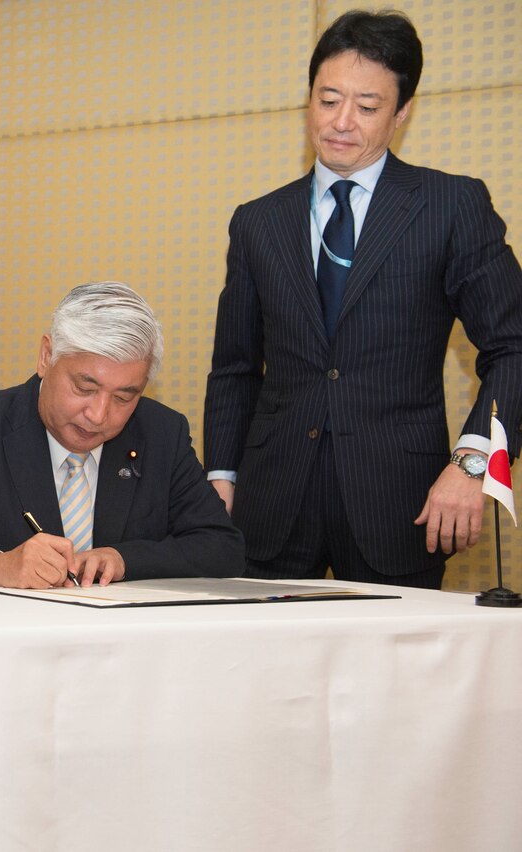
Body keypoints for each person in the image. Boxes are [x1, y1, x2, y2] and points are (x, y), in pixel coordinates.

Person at [204, 10, 522, 589]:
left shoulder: (452, 206)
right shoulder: (258, 221)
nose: (341, 122)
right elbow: (234, 367)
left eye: (367, 107)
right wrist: (220, 476)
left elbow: (514, 347)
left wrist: (471, 462)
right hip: (271, 504)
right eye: (327, 101)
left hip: (400, 501)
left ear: (401, 113)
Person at [0, 282, 243, 588]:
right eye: (84, 388)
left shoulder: (162, 433)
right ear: (46, 356)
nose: (98, 415)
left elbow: (222, 548)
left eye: (123, 397)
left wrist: (123, 559)